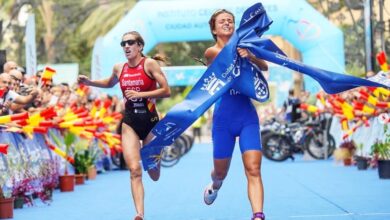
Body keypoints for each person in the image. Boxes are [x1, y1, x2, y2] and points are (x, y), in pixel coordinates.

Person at [78, 31, 170, 220]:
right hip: (130, 122)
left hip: (151, 121)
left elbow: (166, 90)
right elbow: (109, 82)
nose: (126, 46)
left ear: (140, 46)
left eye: (130, 43)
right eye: (123, 44)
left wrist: (142, 95)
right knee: (135, 170)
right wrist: (89, 82)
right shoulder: (119, 68)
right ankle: (139, 213)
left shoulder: (149, 64)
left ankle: (156, 158)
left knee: (154, 174)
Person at [202, 9, 267, 220]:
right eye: (222, 21)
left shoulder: (245, 48)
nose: (227, 24)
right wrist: (241, 50)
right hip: (223, 120)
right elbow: (224, 58)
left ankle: (258, 214)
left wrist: (251, 56)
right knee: (221, 173)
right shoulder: (211, 52)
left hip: (246, 116)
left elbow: (264, 66)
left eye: (230, 21)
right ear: (214, 28)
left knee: (254, 169)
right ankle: (214, 185)